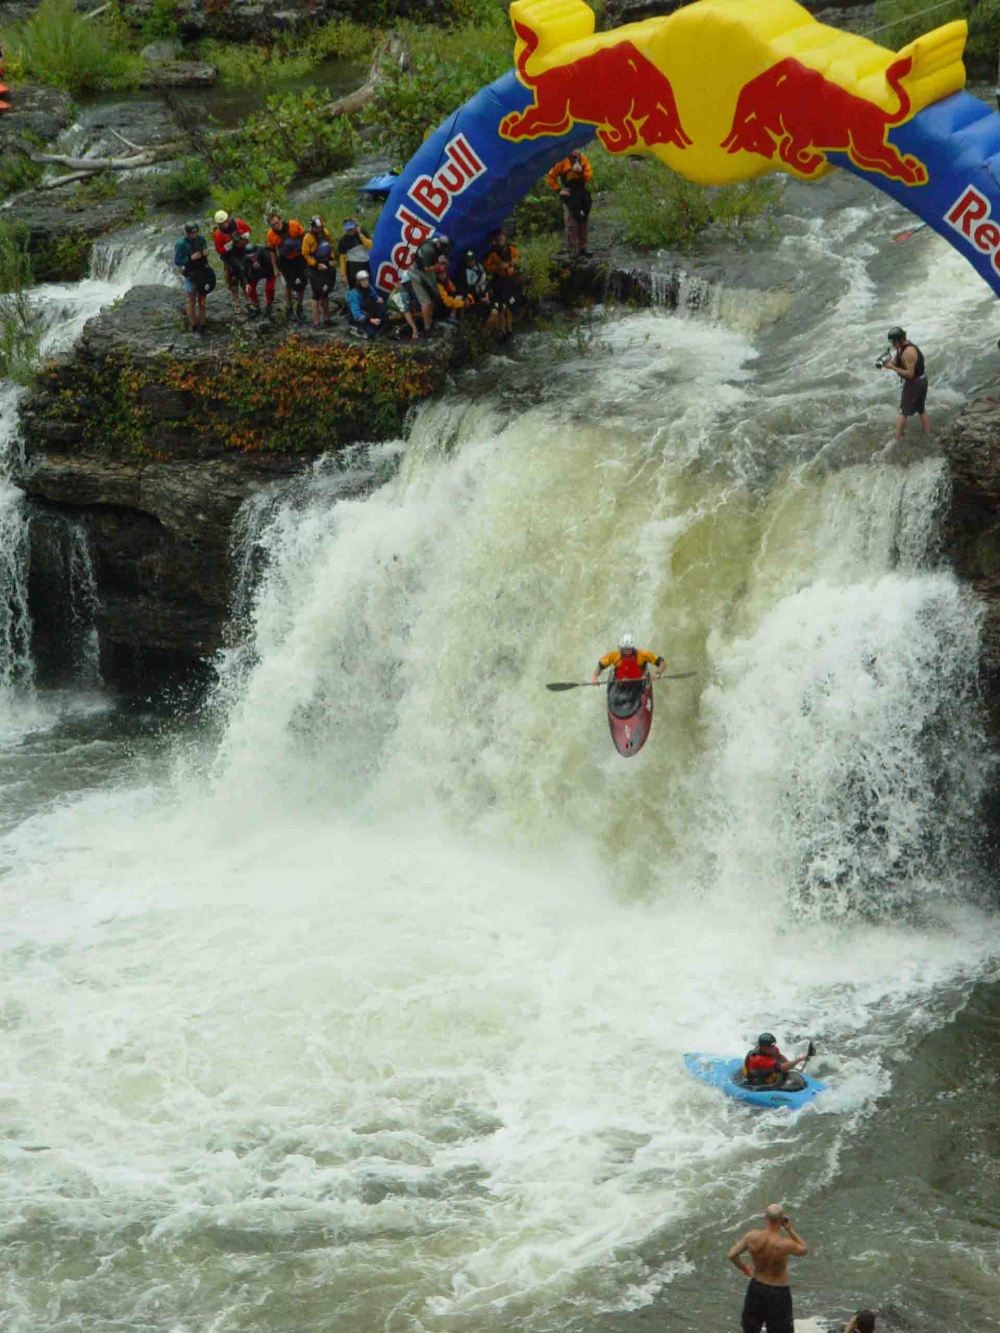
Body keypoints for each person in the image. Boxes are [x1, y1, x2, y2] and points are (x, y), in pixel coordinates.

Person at [728, 1204, 808, 1333]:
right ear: (782, 1220)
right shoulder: (785, 1244)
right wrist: (790, 1230)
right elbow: (804, 1249)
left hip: (756, 1286)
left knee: (751, 1328)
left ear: (765, 1218)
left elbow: (732, 1255)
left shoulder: (752, 1236)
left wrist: (746, 1269)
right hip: (778, 1291)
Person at [881, 325, 929, 440]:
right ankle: (927, 434)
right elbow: (896, 361)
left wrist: (892, 367)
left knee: (903, 413)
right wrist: (887, 362)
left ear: (899, 340)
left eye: (893, 341)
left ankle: (896, 440)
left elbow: (910, 374)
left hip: (914, 384)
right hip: (921, 380)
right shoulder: (903, 347)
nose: (892, 344)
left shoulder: (909, 353)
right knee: (921, 409)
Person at [547, 147, 593, 257]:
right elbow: (551, 177)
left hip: (581, 192)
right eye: (574, 147)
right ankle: (573, 250)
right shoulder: (562, 160)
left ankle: (583, 248)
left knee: (583, 220)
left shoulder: (583, 159)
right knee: (571, 222)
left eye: (578, 148)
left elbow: (589, 175)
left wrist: (581, 171)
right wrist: (559, 190)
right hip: (569, 193)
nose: (576, 150)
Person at [173, 220, 214, 335]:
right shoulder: (181, 244)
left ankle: (203, 324)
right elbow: (177, 261)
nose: (194, 235)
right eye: (192, 233)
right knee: (191, 300)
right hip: (190, 274)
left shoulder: (201, 239)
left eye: (196, 232)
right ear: (187, 233)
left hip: (202, 272)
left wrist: (205, 253)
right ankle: (194, 326)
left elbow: (206, 249)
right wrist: (191, 258)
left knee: (202, 300)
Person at [266, 210, 307, 323]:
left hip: (300, 258)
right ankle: (289, 308)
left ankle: (300, 306)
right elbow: (272, 252)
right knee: (287, 285)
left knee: (302, 284)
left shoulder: (294, 225)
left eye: (277, 223)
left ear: (281, 220)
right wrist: (275, 268)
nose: (276, 226)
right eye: (273, 225)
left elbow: (305, 240)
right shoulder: (271, 234)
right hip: (285, 261)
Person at [483, 228, 522, 336]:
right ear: (494, 240)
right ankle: (501, 331)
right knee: (502, 307)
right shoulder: (491, 253)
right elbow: (487, 267)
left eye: (502, 236)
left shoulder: (511, 248)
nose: (500, 239)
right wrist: (498, 266)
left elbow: (517, 259)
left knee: (509, 305)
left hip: (511, 280)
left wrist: (514, 262)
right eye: (498, 237)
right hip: (499, 281)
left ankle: (509, 329)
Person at [212, 209, 251, 313]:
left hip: (242, 254)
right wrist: (230, 245)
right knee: (233, 282)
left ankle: (248, 300)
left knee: (245, 278)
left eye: (225, 222)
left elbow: (248, 230)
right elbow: (219, 249)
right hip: (229, 258)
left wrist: (244, 237)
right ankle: (237, 303)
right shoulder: (218, 234)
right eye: (221, 223)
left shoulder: (238, 223)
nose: (224, 225)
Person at [741, 1034, 813, 1089]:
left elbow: (780, 1057)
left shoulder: (770, 1050)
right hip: (759, 1081)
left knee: (786, 1074)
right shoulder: (759, 1059)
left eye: (774, 1045)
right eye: (771, 1046)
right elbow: (781, 1067)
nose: (774, 1048)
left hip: (769, 1072)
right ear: (763, 1047)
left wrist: (791, 1067)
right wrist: (799, 1060)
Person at [302, 214, 336, 327]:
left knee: (325, 293)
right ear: (312, 227)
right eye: (316, 228)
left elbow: (330, 244)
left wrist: (331, 258)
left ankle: (327, 319)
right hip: (314, 269)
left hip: (326, 265)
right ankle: (316, 321)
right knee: (317, 293)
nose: (318, 229)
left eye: (320, 227)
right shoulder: (308, 238)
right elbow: (305, 255)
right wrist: (317, 264)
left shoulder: (326, 233)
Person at [347, 270, 388, 339]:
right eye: (363, 281)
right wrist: (370, 320)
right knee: (370, 333)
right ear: (359, 282)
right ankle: (355, 329)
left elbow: (375, 297)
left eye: (367, 280)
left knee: (383, 308)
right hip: (360, 317)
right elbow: (356, 314)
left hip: (369, 312)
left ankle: (376, 323)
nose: (366, 282)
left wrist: (378, 298)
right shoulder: (353, 294)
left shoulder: (369, 288)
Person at [456, 248, 493, 323]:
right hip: (472, 296)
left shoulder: (480, 268)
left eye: (471, 260)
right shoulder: (463, 272)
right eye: (468, 260)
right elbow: (464, 287)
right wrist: (478, 298)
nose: (470, 262)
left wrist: (486, 294)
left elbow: (485, 283)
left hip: (484, 293)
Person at [338, 217, 373, 291]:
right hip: (353, 266)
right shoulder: (343, 240)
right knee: (355, 288)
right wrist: (343, 274)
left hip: (365, 264)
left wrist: (361, 235)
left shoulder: (363, 233)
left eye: (351, 229)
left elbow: (370, 246)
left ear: (356, 226)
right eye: (348, 229)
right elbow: (342, 258)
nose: (350, 231)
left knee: (367, 286)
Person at [242, 244, 275, 317]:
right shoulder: (246, 259)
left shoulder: (265, 255)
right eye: (250, 257)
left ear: (257, 253)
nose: (252, 258)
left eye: (254, 256)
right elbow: (245, 273)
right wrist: (247, 283)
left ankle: (269, 305)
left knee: (269, 289)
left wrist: (260, 267)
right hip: (255, 273)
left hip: (268, 271)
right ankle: (256, 305)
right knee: (249, 289)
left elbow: (270, 271)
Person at [387, 270, 420, 341]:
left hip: (405, 308)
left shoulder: (408, 289)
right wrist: (414, 329)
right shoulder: (402, 293)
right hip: (394, 312)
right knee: (405, 317)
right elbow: (406, 312)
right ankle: (396, 330)